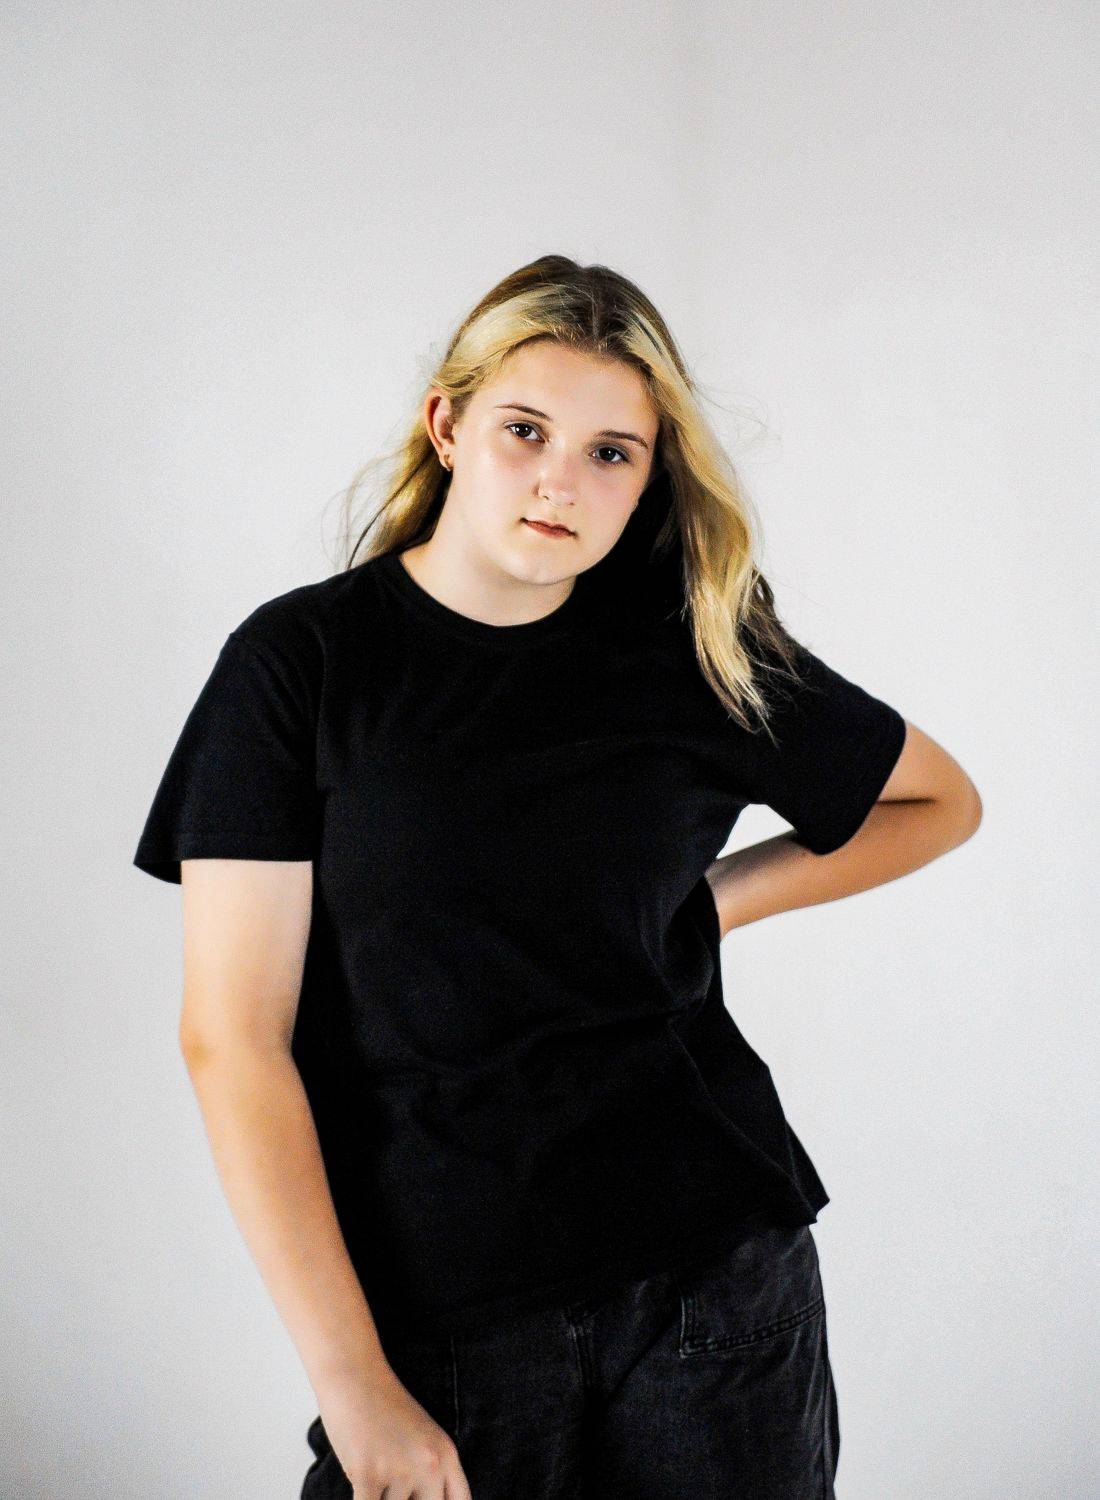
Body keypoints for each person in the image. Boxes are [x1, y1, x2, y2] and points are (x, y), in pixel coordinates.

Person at [132, 254, 982, 1500]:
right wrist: (352, 1383)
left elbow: (937, 802)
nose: (558, 481)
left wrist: (711, 902)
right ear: (449, 425)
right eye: (524, 430)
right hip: (442, 1313)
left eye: (609, 453)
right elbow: (232, 1042)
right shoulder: (301, 664)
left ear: (648, 475)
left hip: (711, 1284)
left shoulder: (692, 649)